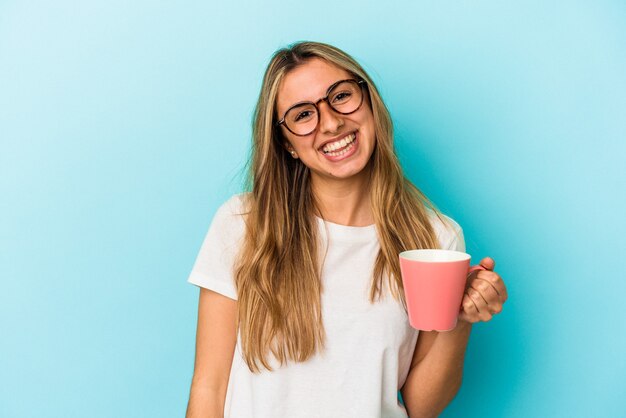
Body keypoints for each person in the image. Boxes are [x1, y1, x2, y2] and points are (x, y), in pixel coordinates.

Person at [185, 41, 508, 418]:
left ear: (369, 101)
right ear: (285, 142)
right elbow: (209, 386)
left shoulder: (435, 238)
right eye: (303, 114)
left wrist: (462, 317)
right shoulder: (242, 224)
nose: (333, 122)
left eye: (341, 96)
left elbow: (422, 405)